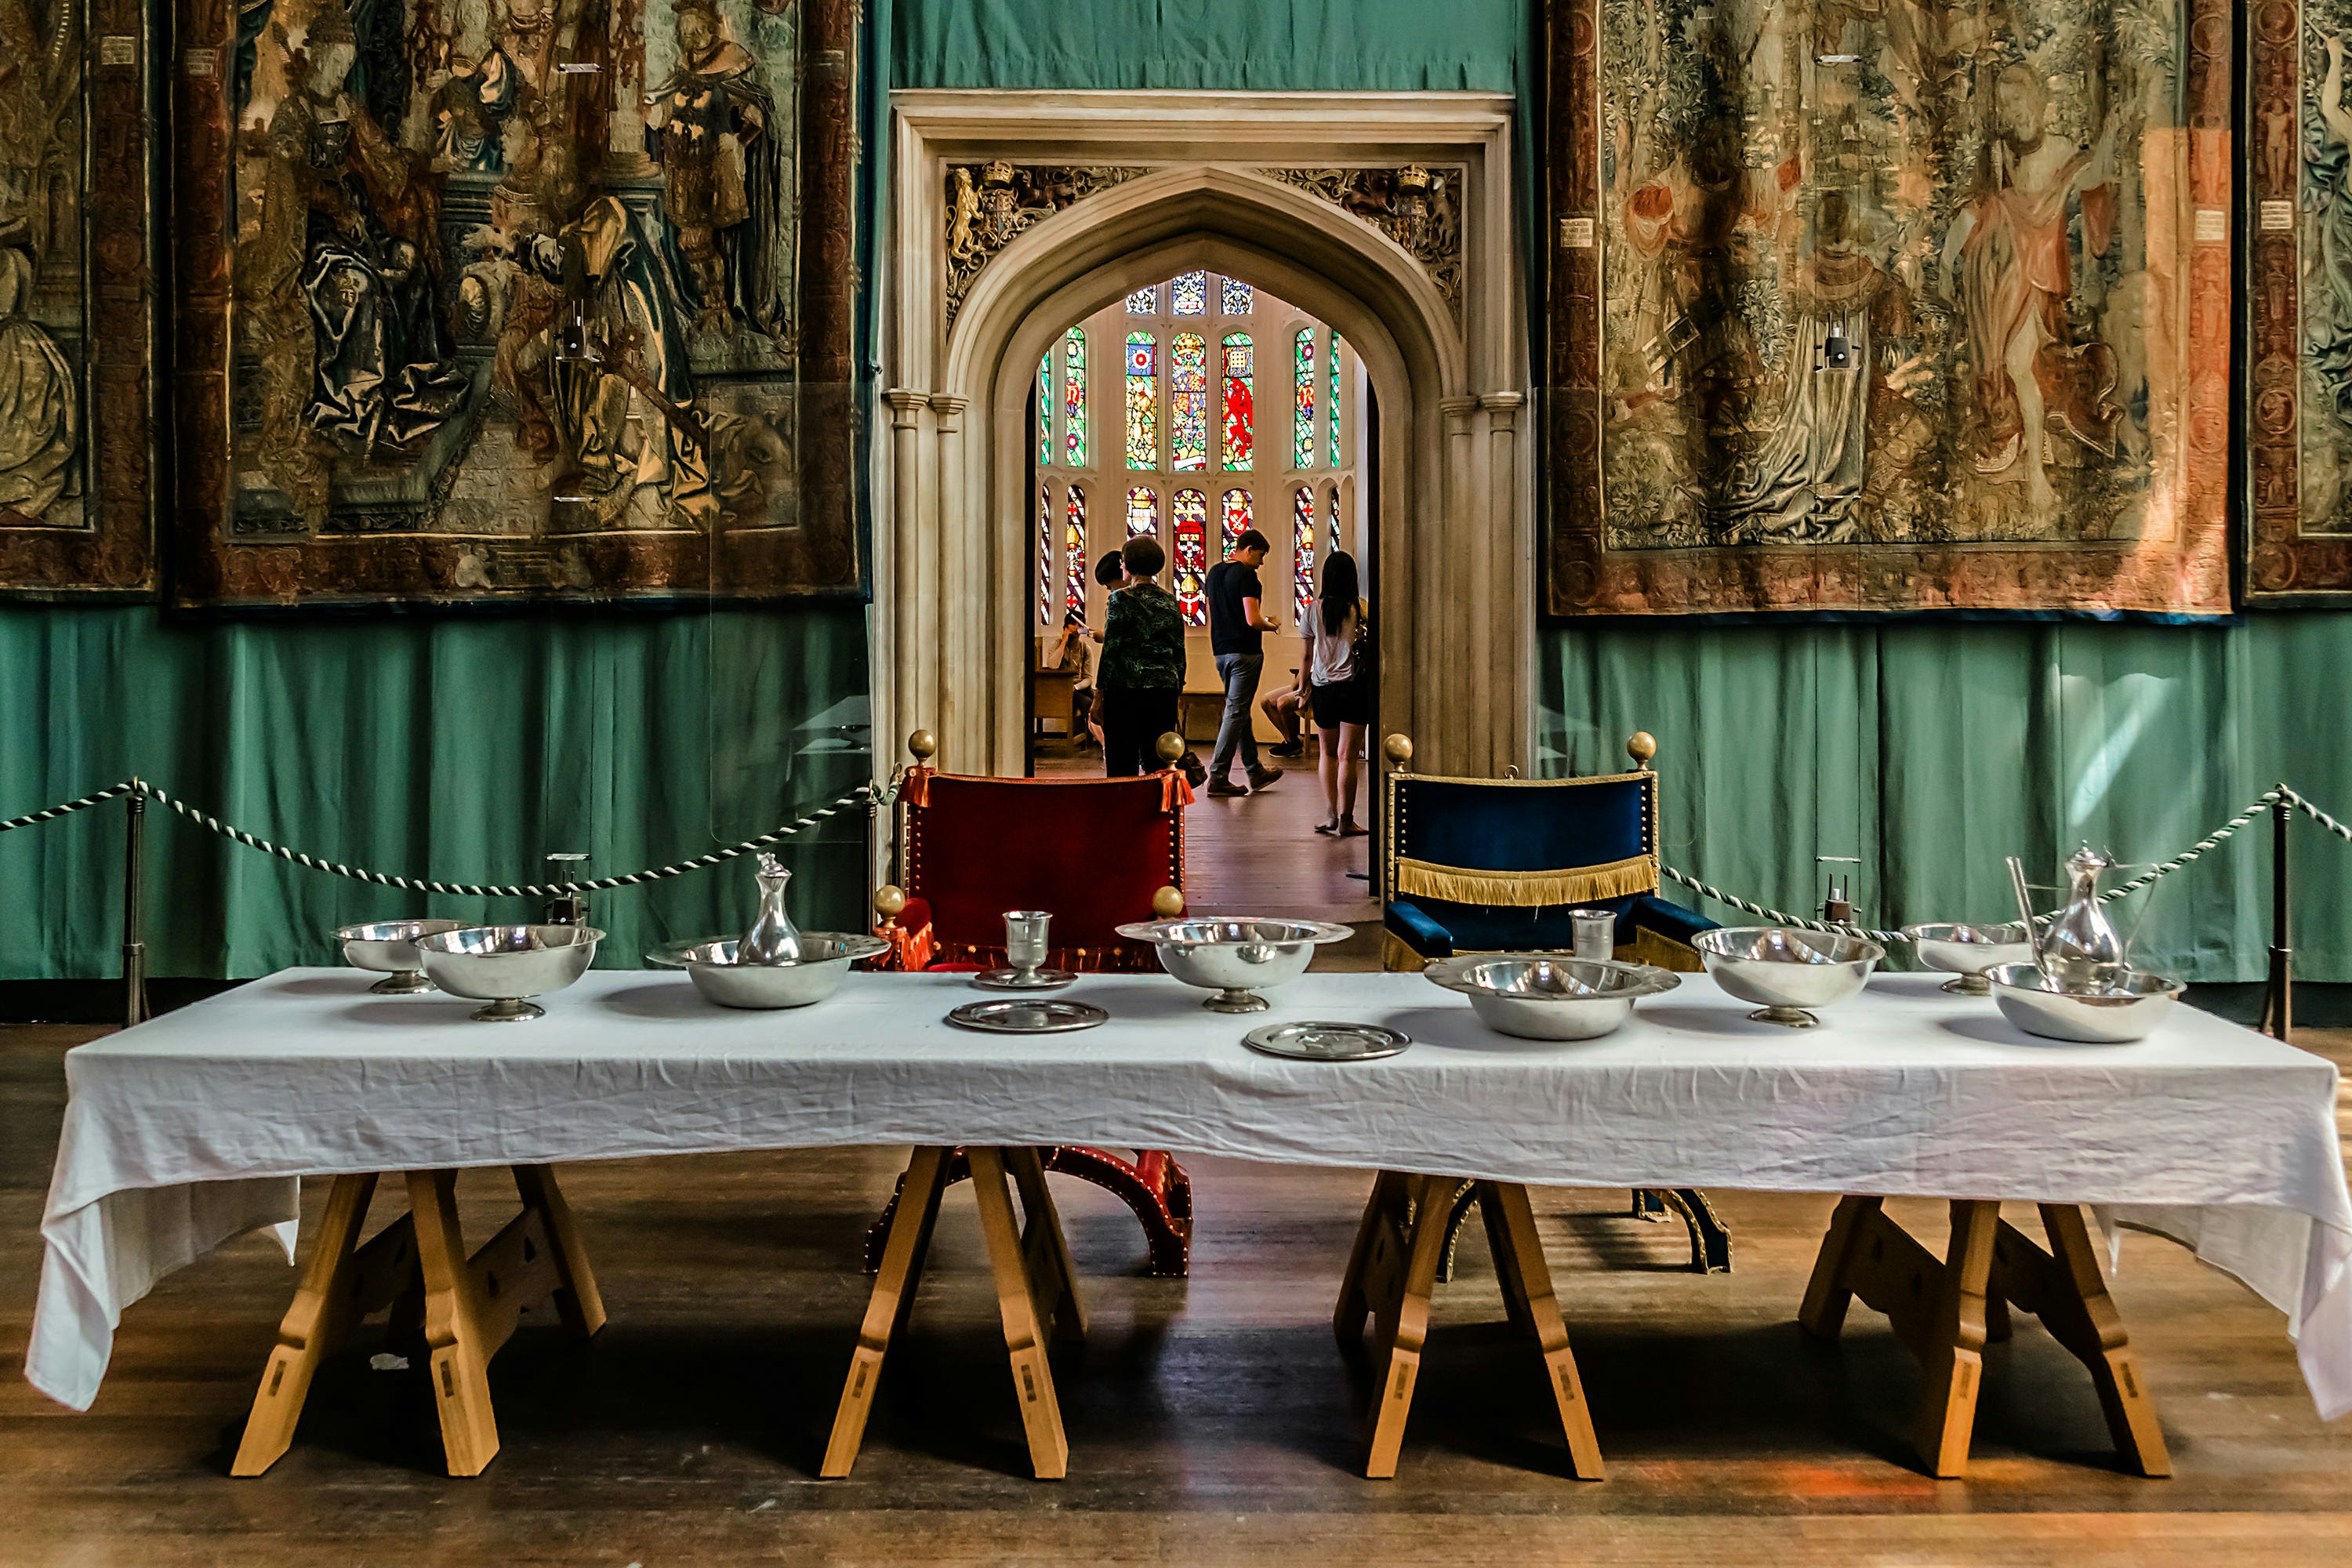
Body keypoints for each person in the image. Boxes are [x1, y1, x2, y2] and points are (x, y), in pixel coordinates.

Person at [1094, 536, 1187, 777]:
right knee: (1158, 759)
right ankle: (1156, 811)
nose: (1121, 566)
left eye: (1123, 561)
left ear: (1128, 564)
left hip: (1126, 690)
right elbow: (1179, 649)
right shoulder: (1171, 601)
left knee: (1122, 759)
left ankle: (1124, 810)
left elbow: (1111, 649)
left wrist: (1099, 694)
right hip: (1163, 689)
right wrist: (1176, 688)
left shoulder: (1120, 599)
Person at [1203, 528, 1284, 797]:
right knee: (1236, 712)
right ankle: (1217, 775)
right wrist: (1272, 625)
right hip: (1245, 654)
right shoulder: (1248, 576)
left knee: (1239, 711)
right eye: (1260, 556)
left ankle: (1254, 770)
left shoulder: (1214, 573)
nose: (1260, 563)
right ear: (1248, 549)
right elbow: (1253, 619)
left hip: (1221, 652)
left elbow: (1213, 614)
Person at [1306, 551, 1372, 837]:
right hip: (1354, 686)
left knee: (1328, 753)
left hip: (1323, 686)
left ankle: (1331, 815)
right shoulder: (1360, 607)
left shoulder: (1312, 609)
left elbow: (1306, 656)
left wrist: (1302, 688)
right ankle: (1347, 819)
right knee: (1348, 757)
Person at [1260, 663, 1308, 759]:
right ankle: (1291, 741)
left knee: (1283, 703)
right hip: (1303, 682)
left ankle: (1293, 743)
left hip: (1318, 685)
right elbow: (1305, 666)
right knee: (1266, 702)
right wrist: (1293, 689)